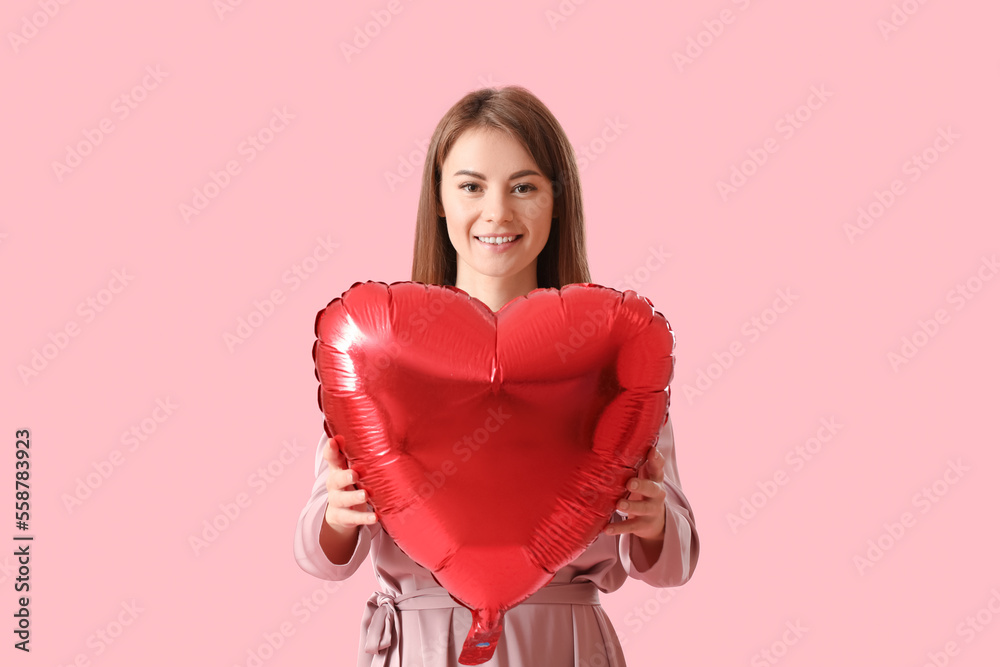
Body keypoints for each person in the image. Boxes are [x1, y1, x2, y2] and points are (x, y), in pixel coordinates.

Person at [293, 86, 699, 667]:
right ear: (439, 199)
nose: (497, 212)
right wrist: (336, 513)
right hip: (424, 648)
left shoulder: (609, 350)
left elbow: (674, 562)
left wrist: (655, 522)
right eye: (471, 186)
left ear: (558, 202)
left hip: (565, 647)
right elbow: (321, 554)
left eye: (524, 186)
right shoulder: (386, 347)